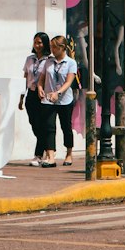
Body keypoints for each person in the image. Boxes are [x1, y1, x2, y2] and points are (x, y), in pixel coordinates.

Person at [37, 34, 77, 167]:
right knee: (49, 127)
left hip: (64, 100)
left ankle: (69, 153)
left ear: (62, 48)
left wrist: (58, 93)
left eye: (55, 47)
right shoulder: (48, 61)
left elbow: (69, 81)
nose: (52, 50)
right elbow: (42, 77)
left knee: (66, 127)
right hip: (48, 99)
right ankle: (51, 156)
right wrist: (40, 87)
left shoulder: (71, 63)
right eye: (51, 47)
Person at [20, 32, 50, 166]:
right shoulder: (29, 59)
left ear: (45, 44)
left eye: (40, 43)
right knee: (35, 124)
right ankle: (45, 148)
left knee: (43, 125)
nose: (37, 45)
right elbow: (25, 78)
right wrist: (21, 97)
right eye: (35, 42)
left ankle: (38, 154)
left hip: (43, 95)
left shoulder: (49, 60)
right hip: (31, 95)